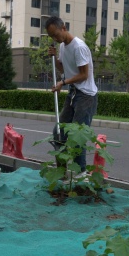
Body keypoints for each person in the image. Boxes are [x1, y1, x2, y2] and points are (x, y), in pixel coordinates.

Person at [45, 16, 98, 177]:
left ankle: (80, 173)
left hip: (86, 96)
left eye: (56, 34)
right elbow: (64, 70)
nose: (55, 38)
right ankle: (61, 172)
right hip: (74, 93)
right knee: (59, 132)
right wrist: (55, 58)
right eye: (51, 36)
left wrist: (63, 83)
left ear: (64, 28)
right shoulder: (63, 46)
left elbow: (84, 75)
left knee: (77, 136)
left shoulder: (79, 47)